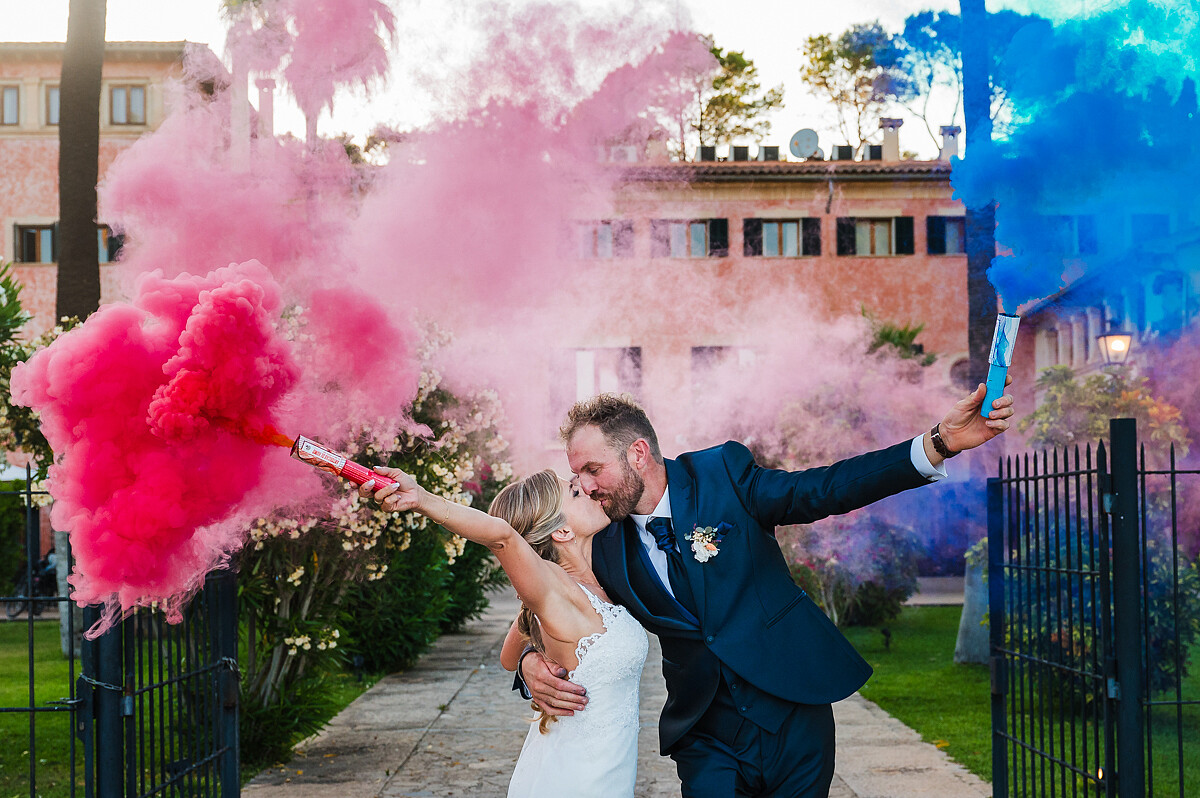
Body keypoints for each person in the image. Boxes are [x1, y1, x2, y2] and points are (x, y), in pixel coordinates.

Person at [516, 381, 1014, 798]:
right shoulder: (600, 542)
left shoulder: (722, 475)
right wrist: (528, 664)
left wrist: (938, 443)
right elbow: (540, 608)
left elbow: (825, 488)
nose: (584, 484)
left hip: (794, 711)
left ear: (638, 453)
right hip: (705, 734)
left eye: (591, 469)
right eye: (576, 475)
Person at [359, 467, 649, 797]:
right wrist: (422, 499)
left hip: (589, 767)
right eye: (574, 492)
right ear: (563, 532)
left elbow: (508, 657)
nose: (586, 488)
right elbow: (504, 537)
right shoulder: (557, 589)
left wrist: (530, 661)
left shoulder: (575, 590)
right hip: (579, 780)